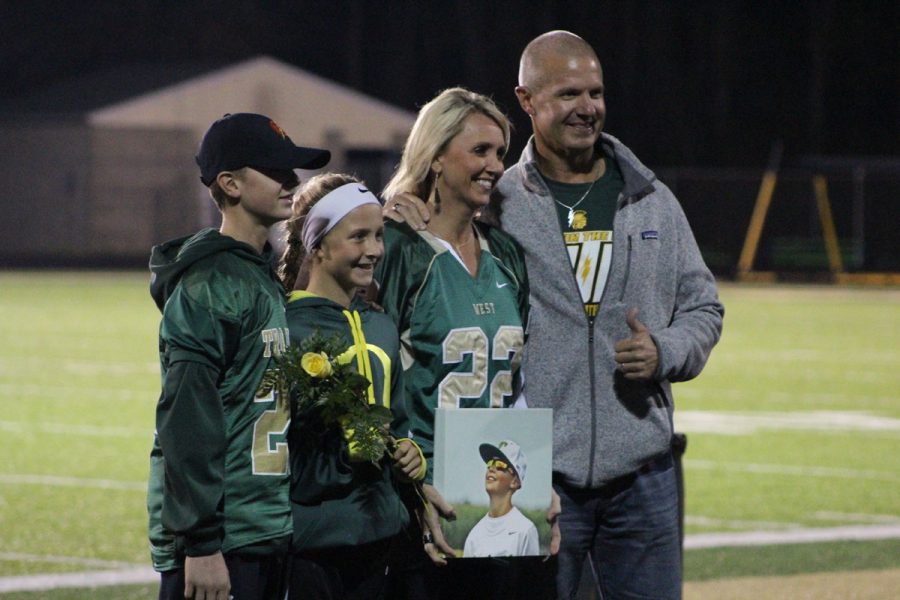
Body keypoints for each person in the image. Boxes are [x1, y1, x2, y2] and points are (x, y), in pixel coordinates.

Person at [386, 31, 724, 600]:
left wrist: (666, 350)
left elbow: (704, 306)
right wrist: (400, 215)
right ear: (527, 100)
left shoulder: (651, 199)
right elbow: (432, 226)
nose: (587, 107)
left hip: (644, 473)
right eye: (568, 93)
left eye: (595, 92)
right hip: (537, 476)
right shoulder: (497, 198)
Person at [146, 112, 330, 600]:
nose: (292, 180)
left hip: (262, 528)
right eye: (275, 169)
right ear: (229, 183)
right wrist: (201, 544)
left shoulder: (257, 274)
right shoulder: (211, 283)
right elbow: (186, 418)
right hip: (222, 541)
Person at [374, 87, 531, 597]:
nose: (494, 165)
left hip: (491, 498)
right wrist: (409, 477)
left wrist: (536, 486)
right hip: (416, 497)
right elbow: (368, 375)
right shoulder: (397, 249)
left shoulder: (505, 252)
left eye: (500, 153)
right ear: (436, 155)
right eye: (479, 150)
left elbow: (515, 383)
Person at [278, 173, 425, 599]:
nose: (375, 250)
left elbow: (399, 418)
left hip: (381, 535)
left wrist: (409, 452)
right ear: (317, 245)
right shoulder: (288, 328)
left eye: (378, 235)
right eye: (358, 236)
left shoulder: (380, 325)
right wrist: (347, 452)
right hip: (313, 541)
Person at [463, 440, 539, 558]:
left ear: (515, 482)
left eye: (500, 465)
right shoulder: (474, 534)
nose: (491, 469)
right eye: (489, 464)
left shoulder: (525, 530)